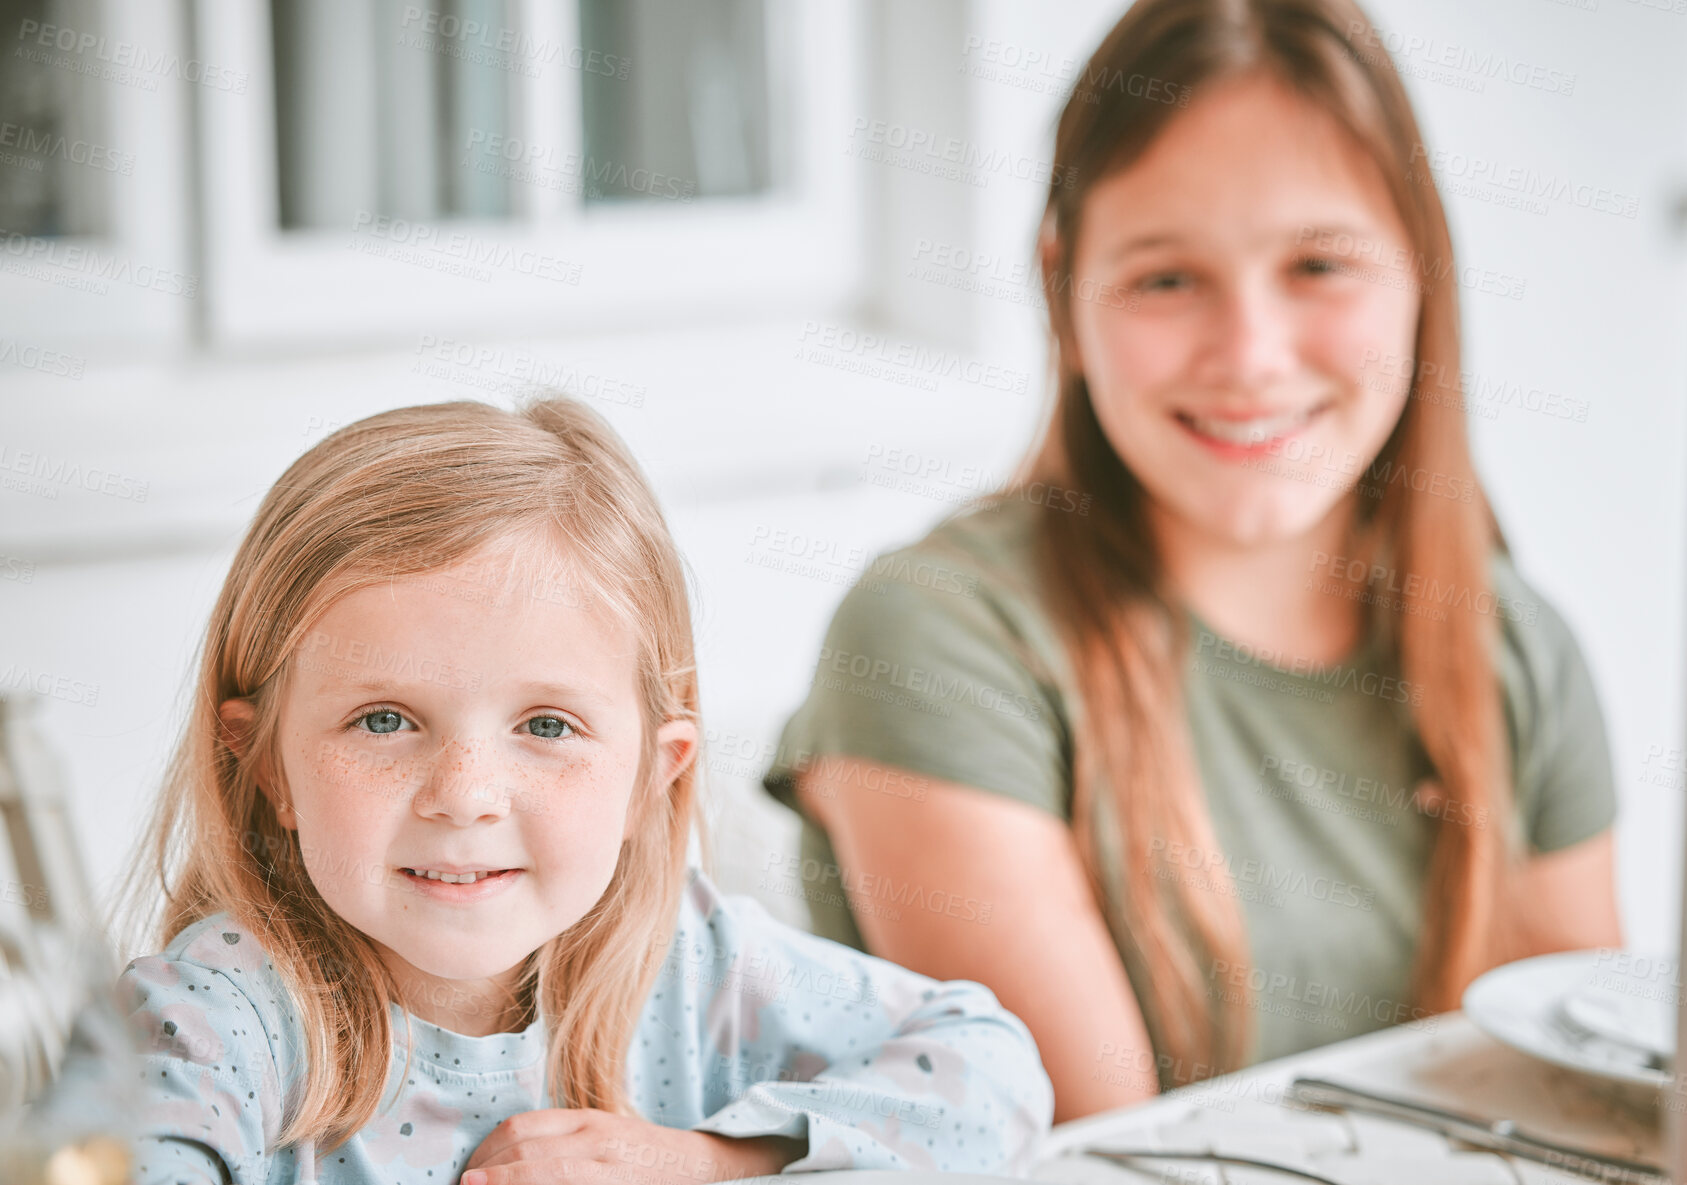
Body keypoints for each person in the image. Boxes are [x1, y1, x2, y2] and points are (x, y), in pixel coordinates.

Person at [762, 0, 1623, 1123]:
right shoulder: (932, 634)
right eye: (1167, 279)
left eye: (1318, 264)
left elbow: (1586, 1110)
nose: (1250, 359)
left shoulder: (1515, 645)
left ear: (1422, 270)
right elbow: (1099, 1152)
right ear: (1063, 286)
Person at [113, 398, 1053, 1184]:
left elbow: (994, 1075)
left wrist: (708, 1160)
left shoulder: (691, 965)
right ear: (266, 764)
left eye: (547, 726)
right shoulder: (213, 1018)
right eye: (385, 719)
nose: (466, 795)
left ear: (655, 771)